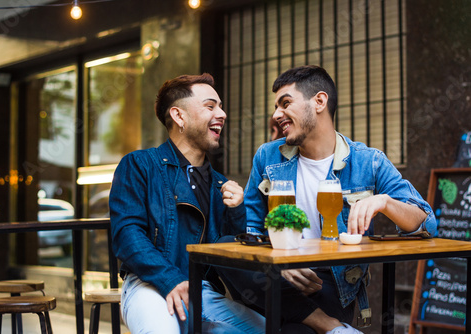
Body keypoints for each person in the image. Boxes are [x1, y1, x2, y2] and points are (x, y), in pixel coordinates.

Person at [219, 65, 437, 333]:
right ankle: (329, 326)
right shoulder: (267, 156)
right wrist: (279, 263)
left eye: (285, 103)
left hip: (329, 282)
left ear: (319, 101)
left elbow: (429, 225)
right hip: (275, 274)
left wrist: (385, 202)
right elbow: (250, 231)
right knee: (224, 246)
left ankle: (305, 320)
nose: (276, 115)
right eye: (276, 106)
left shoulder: (368, 161)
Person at [109, 73, 265, 334]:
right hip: (150, 283)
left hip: (203, 291)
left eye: (221, 106)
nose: (223, 114)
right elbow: (126, 235)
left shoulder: (220, 185)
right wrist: (170, 279)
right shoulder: (140, 165)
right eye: (210, 106)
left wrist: (237, 211)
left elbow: (232, 258)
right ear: (179, 116)